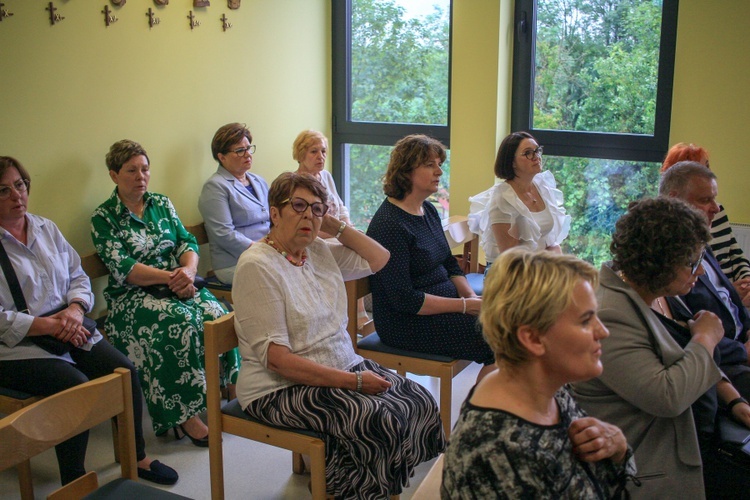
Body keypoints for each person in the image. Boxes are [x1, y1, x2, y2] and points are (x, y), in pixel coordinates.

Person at [233, 172, 445, 499]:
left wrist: (334, 226)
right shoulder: (257, 265)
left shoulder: (318, 249)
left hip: (341, 364)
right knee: (379, 421)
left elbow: (380, 258)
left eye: (317, 209)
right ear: (274, 213)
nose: (308, 215)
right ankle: (346, 489)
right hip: (280, 387)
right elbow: (277, 361)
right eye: (299, 206)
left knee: (419, 401)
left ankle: (356, 486)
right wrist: (356, 383)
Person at [0, 156, 177, 486]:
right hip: (17, 345)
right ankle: (74, 480)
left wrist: (75, 310)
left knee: (124, 371)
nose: (16, 196)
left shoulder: (45, 228)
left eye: (20, 185)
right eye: (3, 190)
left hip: (68, 324)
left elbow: (77, 276)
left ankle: (134, 455)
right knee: (74, 386)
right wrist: (47, 326)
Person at [571, 197, 750, 498]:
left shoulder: (659, 293)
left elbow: (690, 361)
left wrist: (734, 401)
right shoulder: (609, 315)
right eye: (693, 263)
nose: (701, 272)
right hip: (652, 463)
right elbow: (667, 396)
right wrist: (705, 337)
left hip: (696, 437)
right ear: (660, 262)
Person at [442, 248, 635, 498]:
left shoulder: (548, 392)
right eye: (586, 321)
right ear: (533, 338)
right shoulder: (500, 455)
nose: (603, 332)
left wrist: (618, 448)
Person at [91, 140, 239, 446]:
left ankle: (228, 392)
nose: (140, 176)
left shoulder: (161, 203)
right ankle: (185, 415)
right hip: (132, 299)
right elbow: (125, 268)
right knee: (179, 323)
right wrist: (175, 276)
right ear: (113, 175)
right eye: (131, 170)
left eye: (144, 169)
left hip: (177, 284)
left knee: (218, 313)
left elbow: (187, 243)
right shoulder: (103, 218)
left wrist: (188, 271)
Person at [366, 134, 496, 381]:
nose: (439, 171)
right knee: (501, 337)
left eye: (439, 164)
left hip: (443, 308)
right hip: (405, 323)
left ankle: (492, 410)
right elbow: (405, 300)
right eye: (430, 165)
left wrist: (469, 295)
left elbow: (449, 262)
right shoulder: (389, 225)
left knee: (512, 325)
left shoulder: (428, 210)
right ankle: (479, 414)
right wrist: (465, 306)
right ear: (406, 171)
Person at [660, 161, 750, 398]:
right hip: (723, 365)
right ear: (674, 200)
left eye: (714, 199)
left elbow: (731, 305)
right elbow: (684, 334)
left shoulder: (702, 244)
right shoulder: (667, 262)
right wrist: (744, 351)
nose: (716, 208)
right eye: (705, 200)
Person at [469, 131, 570, 268]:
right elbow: (512, 261)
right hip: (509, 275)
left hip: (539, 267)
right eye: (528, 153)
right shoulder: (503, 199)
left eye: (537, 150)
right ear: (512, 162)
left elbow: (551, 244)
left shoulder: (542, 187)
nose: (536, 157)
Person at [661, 142, 750, 285]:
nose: (708, 172)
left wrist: (746, 281)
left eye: (707, 166)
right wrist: (731, 293)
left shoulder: (717, 211)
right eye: (700, 168)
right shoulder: (672, 234)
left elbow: (736, 254)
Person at [198, 123, 270, 284]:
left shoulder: (259, 181)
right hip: (234, 262)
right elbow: (224, 234)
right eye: (240, 151)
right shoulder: (215, 187)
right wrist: (262, 249)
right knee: (282, 274)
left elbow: (275, 217)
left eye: (249, 148)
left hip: (267, 253)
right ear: (222, 157)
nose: (248, 154)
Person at [293, 130, 351, 238]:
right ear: (301, 155)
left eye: (323, 151)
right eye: (314, 152)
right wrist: (340, 234)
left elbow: (341, 208)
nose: (321, 156)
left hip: (338, 235)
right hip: (317, 240)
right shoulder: (294, 183)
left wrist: (348, 226)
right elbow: (297, 226)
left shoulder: (326, 176)